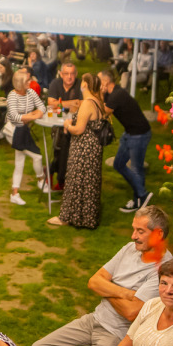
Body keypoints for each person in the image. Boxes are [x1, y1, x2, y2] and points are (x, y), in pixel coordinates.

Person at [32, 206, 173, 346]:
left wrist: (106, 289)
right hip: (95, 319)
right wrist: (123, 292)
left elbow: (131, 312)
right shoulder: (130, 248)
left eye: (140, 231)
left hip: (117, 335)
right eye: (133, 229)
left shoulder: (163, 271)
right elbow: (93, 282)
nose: (133, 236)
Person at [49, 73, 106, 229]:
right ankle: (87, 218)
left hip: (83, 149)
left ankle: (67, 218)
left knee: (76, 181)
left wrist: (68, 125)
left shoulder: (88, 103)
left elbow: (79, 129)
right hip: (94, 148)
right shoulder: (98, 101)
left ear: (85, 84)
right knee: (89, 183)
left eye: (82, 82)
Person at [98, 69, 154, 213]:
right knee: (118, 164)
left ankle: (140, 197)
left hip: (139, 134)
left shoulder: (117, 95)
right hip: (129, 133)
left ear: (106, 81)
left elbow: (103, 112)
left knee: (136, 168)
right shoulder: (111, 93)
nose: (97, 83)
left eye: (99, 80)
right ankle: (140, 195)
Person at [0, 69, 49, 206]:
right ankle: (41, 180)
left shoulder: (31, 92)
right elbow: (14, 117)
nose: (30, 82)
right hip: (13, 132)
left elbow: (42, 108)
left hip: (23, 130)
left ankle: (15, 193)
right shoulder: (12, 96)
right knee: (37, 156)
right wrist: (32, 116)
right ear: (20, 83)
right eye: (27, 80)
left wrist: (29, 116)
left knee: (20, 161)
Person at [47, 61, 82, 189]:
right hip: (58, 124)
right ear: (61, 74)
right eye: (66, 73)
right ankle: (60, 178)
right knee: (61, 145)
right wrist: (72, 103)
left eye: (72, 74)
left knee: (63, 147)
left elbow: (81, 104)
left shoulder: (80, 85)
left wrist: (60, 103)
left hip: (75, 125)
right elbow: (51, 103)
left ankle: (53, 172)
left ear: (76, 74)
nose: (69, 77)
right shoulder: (55, 83)